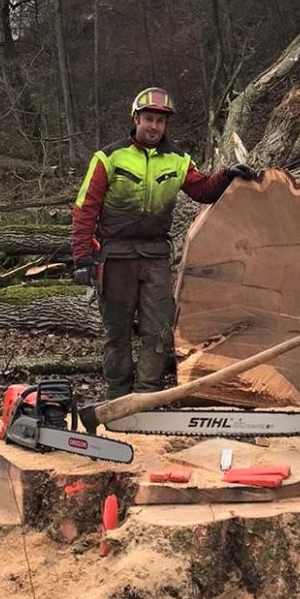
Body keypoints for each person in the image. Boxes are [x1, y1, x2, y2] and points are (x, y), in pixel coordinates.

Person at [72, 87, 257, 399]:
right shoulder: (108, 158)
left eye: (160, 120)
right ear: (136, 119)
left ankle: (147, 394)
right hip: (115, 256)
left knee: (158, 331)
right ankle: (117, 395)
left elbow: (203, 191)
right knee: (116, 332)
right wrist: (81, 258)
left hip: (155, 256)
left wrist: (227, 175)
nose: (154, 126)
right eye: (148, 119)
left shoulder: (178, 160)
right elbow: (85, 208)